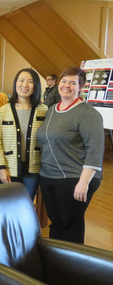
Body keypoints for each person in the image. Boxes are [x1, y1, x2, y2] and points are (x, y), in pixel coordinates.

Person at [37, 66, 104, 244]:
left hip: (74, 178)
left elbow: (95, 149)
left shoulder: (88, 113)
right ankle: (57, 265)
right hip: (49, 176)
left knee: (71, 227)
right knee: (56, 224)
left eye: (73, 83)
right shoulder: (52, 109)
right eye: (64, 81)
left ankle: (74, 268)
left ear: (80, 87)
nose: (67, 86)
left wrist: (83, 182)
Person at [0, 68, 47, 200]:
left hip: (33, 169)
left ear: (36, 86)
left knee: (26, 205)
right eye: (21, 80)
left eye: (30, 82)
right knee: (9, 206)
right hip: (9, 168)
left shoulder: (44, 111)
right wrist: (1, 168)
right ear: (15, 83)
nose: (25, 85)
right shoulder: (3, 111)